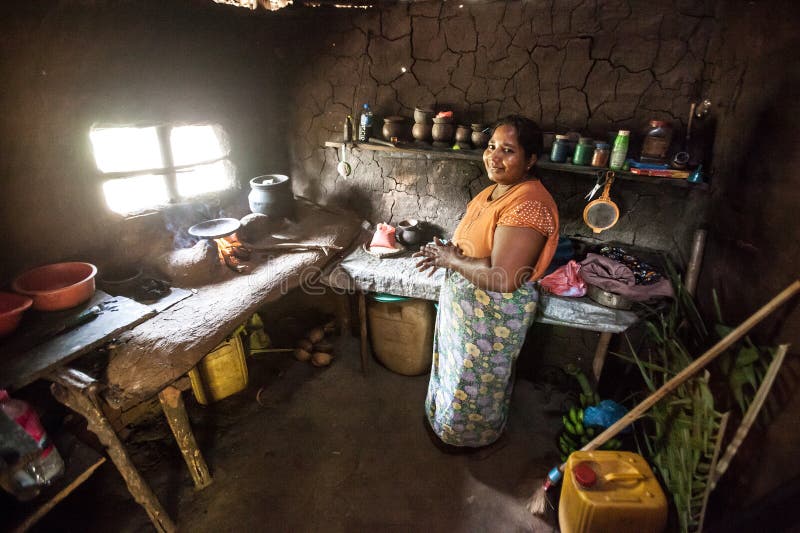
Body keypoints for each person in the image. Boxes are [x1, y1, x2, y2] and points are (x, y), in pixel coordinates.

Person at [413, 115, 560, 449]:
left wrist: (451, 260)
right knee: (455, 374)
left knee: (476, 383)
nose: (494, 156)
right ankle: (446, 427)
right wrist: (448, 253)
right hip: (469, 312)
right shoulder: (496, 190)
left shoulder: (529, 205)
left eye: (508, 150)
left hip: (492, 317)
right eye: (492, 146)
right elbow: (482, 247)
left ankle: (469, 441)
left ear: (531, 159)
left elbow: (505, 276)